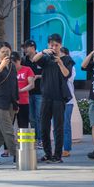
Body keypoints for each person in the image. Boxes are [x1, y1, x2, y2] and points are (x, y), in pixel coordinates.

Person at [33, 33, 74, 163]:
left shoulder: (67, 59)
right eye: (51, 45)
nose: (54, 47)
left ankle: (58, 155)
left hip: (59, 98)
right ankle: (47, 153)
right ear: (48, 45)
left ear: (60, 45)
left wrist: (60, 62)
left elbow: (66, 74)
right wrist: (43, 52)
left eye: (56, 45)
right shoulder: (45, 58)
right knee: (43, 126)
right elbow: (34, 60)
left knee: (58, 127)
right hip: (46, 96)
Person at [22, 39, 43, 148]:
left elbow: (48, 73)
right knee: (31, 118)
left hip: (40, 92)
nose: (25, 50)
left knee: (39, 116)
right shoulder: (23, 60)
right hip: (27, 92)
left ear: (33, 47)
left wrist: (38, 77)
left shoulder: (41, 58)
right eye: (24, 48)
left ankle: (41, 139)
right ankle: (35, 139)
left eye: (26, 47)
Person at [11, 51, 34, 128]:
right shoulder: (9, 71)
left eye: (15, 62)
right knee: (9, 125)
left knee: (23, 125)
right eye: (12, 63)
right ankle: (8, 140)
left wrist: (20, 90)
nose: (14, 65)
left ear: (19, 60)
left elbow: (31, 85)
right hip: (11, 102)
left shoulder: (27, 69)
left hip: (23, 101)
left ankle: (24, 140)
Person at [60, 47, 76, 157]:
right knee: (57, 125)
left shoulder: (71, 68)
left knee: (66, 124)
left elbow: (67, 78)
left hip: (68, 100)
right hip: (56, 98)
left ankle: (66, 148)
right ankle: (58, 147)